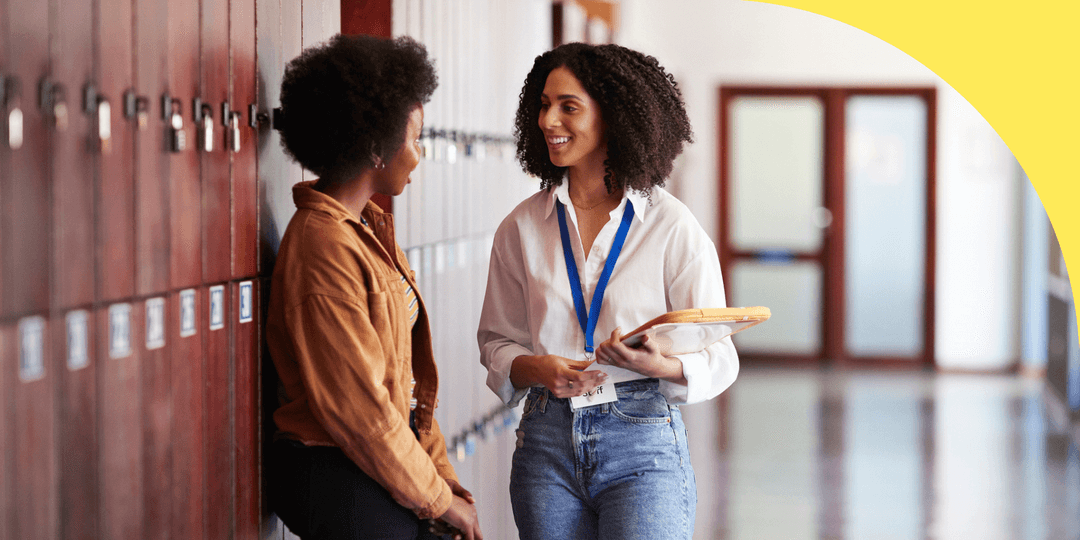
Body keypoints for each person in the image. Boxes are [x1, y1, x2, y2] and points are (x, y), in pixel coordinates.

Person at [477, 42, 739, 540]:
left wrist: (658, 365)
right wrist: (537, 367)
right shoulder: (521, 227)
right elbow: (495, 340)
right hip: (546, 440)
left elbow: (720, 353)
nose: (548, 120)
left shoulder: (671, 227)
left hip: (641, 437)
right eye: (543, 104)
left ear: (613, 117)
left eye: (568, 107)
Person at [266, 34, 482, 540]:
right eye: (414, 137)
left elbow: (407, 388)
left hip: (370, 462)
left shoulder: (369, 231)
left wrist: (444, 484)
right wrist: (436, 501)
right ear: (375, 144)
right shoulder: (323, 245)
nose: (419, 154)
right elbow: (360, 408)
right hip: (333, 469)